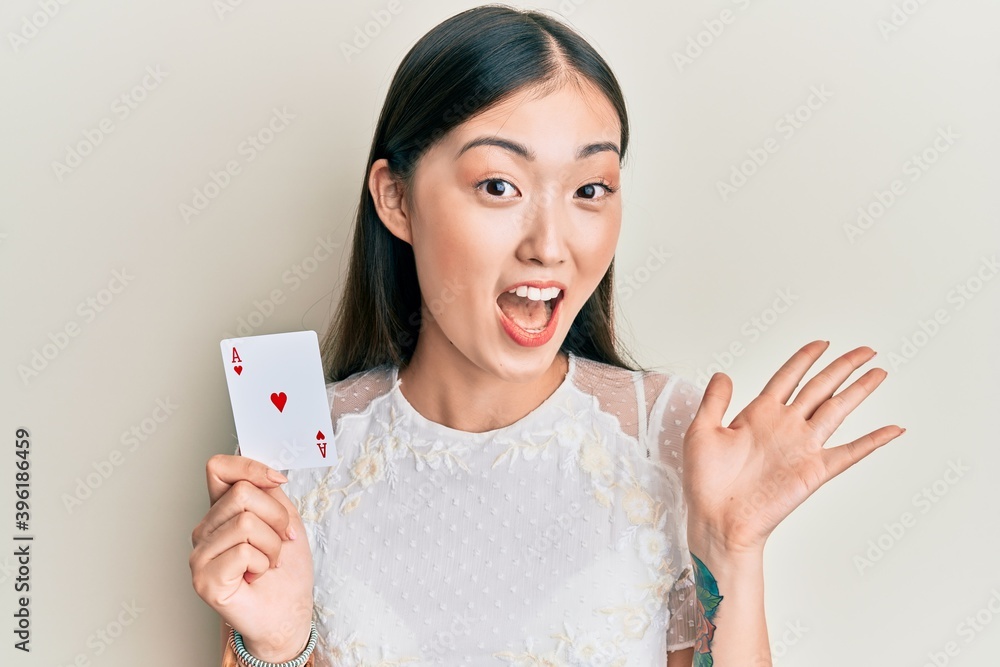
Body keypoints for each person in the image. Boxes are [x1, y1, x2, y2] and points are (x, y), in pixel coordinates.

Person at [189, 5, 905, 666]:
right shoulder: (297, 448)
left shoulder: (669, 435)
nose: (551, 244)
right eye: (500, 185)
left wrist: (731, 552)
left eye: (590, 188)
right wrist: (276, 645)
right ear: (396, 198)